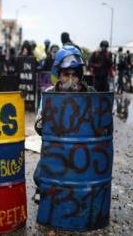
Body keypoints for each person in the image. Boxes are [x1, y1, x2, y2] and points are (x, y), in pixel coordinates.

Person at [33, 45, 94, 202]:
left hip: (82, 150)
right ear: (59, 75)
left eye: (75, 74)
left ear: (80, 75)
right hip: (57, 149)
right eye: (66, 74)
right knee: (39, 176)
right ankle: (42, 187)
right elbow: (38, 127)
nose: (71, 79)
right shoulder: (49, 95)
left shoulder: (91, 94)